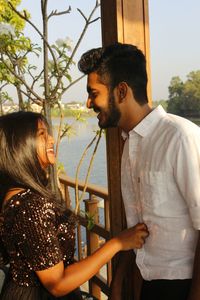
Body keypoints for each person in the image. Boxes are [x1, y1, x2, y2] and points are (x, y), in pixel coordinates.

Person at [78, 42, 200, 300]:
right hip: (148, 285)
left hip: (185, 286)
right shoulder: (130, 144)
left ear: (121, 91)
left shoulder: (180, 137)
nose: (89, 103)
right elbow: (135, 230)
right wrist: (119, 284)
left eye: (93, 93)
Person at [0, 111, 149, 300]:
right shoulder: (31, 206)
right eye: (42, 135)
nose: (51, 140)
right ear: (19, 147)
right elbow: (58, 283)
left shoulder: (13, 195)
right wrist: (118, 243)